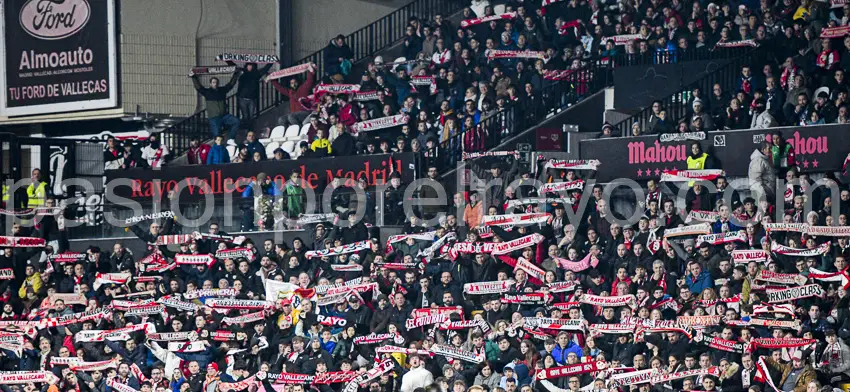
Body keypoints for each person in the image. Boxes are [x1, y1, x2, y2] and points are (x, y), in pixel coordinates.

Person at [190, 69, 242, 143]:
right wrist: (193, 77)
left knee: (236, 121)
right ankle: (221, 145)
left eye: (216, 82)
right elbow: (199, 87)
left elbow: (231, 85)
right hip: (214, 118)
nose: (215, 84)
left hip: (224, 116)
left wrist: (235, 74)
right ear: (210, 84)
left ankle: (230, 139)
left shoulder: (222, 90)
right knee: (217, 136)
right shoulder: (207, 92)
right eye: (213, 82)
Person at [269, 63, 316, 128]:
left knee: (291, 116)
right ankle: (287, 132)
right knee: (281, 119)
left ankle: (299, 130)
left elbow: (309, 81)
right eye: (292, 83)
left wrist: (311, 72)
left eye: (295, 82)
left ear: (298, 82)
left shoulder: (303, 88)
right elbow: (280, 88)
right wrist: (272, 80)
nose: (293, 84)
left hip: (305, 112)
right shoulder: (290, 92)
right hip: (295, 114)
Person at [234, 62, 273, 128]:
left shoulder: (256, 74)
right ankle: (246, 128)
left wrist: (272, 61)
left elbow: (265, 69)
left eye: (251, 66)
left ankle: (249, 129)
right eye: (249, 65)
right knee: (245, 115)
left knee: (251, 116)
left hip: (252, 99)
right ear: (246, 66)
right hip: (242, 98)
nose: (250, 67)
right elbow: (232, 66)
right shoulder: (242, 73)